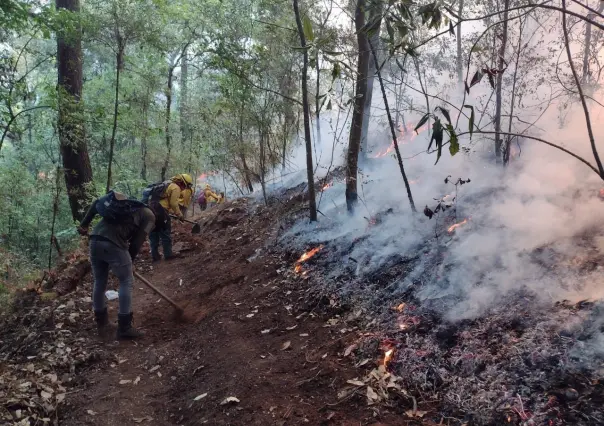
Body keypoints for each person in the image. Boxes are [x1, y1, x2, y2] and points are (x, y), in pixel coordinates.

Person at [78, 191, 155, 340]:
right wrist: (129, 262)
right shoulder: (150, 216)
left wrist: (84, 225)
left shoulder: (129, 206)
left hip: (94, 240)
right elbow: (136, 243)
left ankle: (102, 323)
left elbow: (95, 203)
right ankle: (124, 328)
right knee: (126, 280)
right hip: (113, 244)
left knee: (99, 281)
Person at [148, 174, 193, 262]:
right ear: (183, 183)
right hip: (161, 212)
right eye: (186, 185)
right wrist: (179, 215)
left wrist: (172, 213)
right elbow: (173, 204)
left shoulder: (168, 184)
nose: (185, 188)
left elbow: (166, 202)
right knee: (165, 234)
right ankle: (168, 255)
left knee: (153, 233)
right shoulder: (176, 188)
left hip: (151, 210)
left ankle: (155, 256)